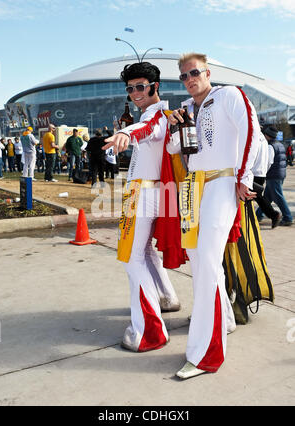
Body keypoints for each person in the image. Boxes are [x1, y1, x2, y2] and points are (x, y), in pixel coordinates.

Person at [167, 52, 260, 379]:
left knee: (206, 262)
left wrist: (245, 176)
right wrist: (176, 126)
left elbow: (251, 129)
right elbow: (175, 151)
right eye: (184, 76)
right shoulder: (187, 108)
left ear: (207, 72)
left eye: (194, 72)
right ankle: (226, 320)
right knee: (200, 261)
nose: (190, 79)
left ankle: (206, 353)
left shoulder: (228, 94)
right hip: (193, 188)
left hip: (221, 183)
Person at [102, 61, 184, 353]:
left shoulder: (158, 115)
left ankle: (149, 331)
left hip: (143, 193)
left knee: (130, 258)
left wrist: (127, 134)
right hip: (150, 191)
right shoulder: (164, 115)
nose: (135, 93)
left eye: (140, 87)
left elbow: (146, 127)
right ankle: (166, 297)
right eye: (130, 88)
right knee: (145, 252)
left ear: (154, 87)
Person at [256, 125, 293, 226]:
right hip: (280, 174)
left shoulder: (270, 146)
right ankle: (258, 215)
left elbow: (268, 162)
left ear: (267, 135)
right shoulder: (279, 144)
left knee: (278, 196)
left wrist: (263, 173)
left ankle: (288, 217)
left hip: (273, 175)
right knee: (267, 197)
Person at [253, 131, 282, 228]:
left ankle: (274, 215)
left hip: (254, 172)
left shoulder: (257, 139)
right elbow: (270, 161)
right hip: (261, 173)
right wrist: (264, 171)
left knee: (256, 196)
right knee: (259, 196)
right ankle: (269, 215)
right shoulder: (267, 144)